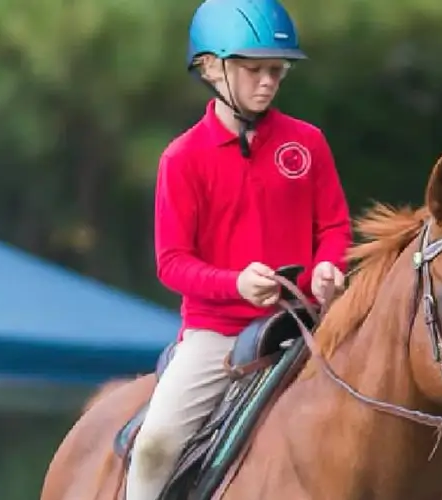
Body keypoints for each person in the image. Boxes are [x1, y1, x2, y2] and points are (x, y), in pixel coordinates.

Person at [125, 0, 353, 498]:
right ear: (210, 67)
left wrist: (327, 269)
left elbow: (334, 225)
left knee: (424, 412)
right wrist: (235, 284)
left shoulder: (308, 143)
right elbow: (172, 263)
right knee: (154, 445)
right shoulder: (182, 159)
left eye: (276, 69)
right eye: (252, 69)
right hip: (218, 337)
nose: (267, 81)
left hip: (309, 322)